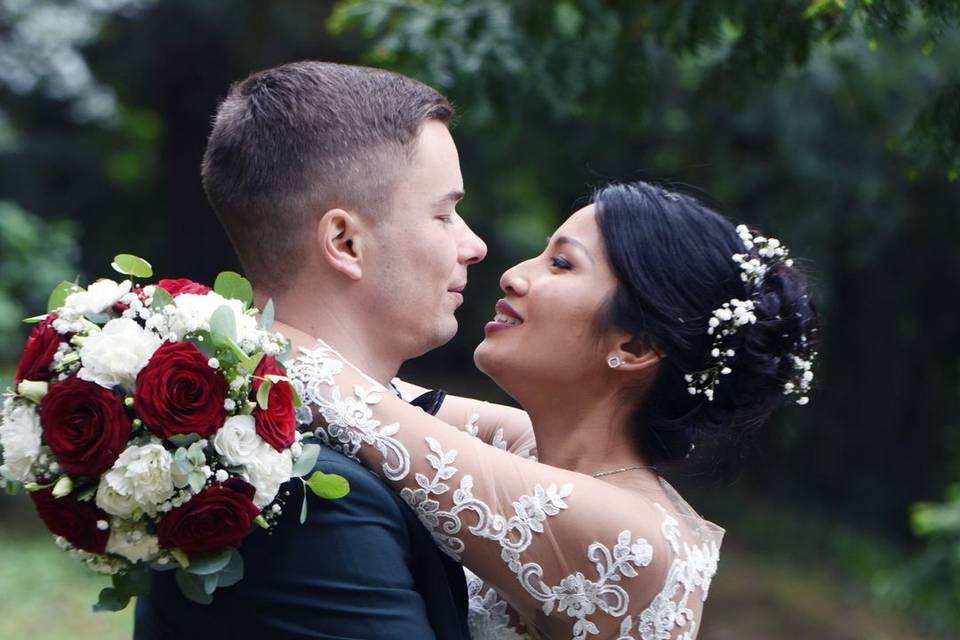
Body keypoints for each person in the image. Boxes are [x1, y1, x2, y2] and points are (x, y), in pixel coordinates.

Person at [283, 181, 820, 639]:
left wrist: (204, 317)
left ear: (633, 348)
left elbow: (345, 400)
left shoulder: (634, 538)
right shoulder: (538, 449)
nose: (514, 274)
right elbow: (383, 393)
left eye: (561, 264)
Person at [134, 60, 517, 639]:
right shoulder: (307, 494)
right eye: (443, 213)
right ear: (344, 242)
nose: (475, 245)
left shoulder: (258, 429)